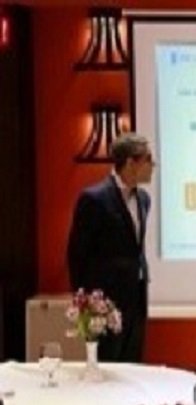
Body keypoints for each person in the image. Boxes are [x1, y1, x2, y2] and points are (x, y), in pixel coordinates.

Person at [67, 132, 155, 362]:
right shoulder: (94, 199)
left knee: (134, 366)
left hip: (136, 298)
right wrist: (85, 304)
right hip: (106, 304)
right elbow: (76, 254)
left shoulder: (144, 199)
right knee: (108, 366)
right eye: (148, 159)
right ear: (131, 163)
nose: (153, 165)